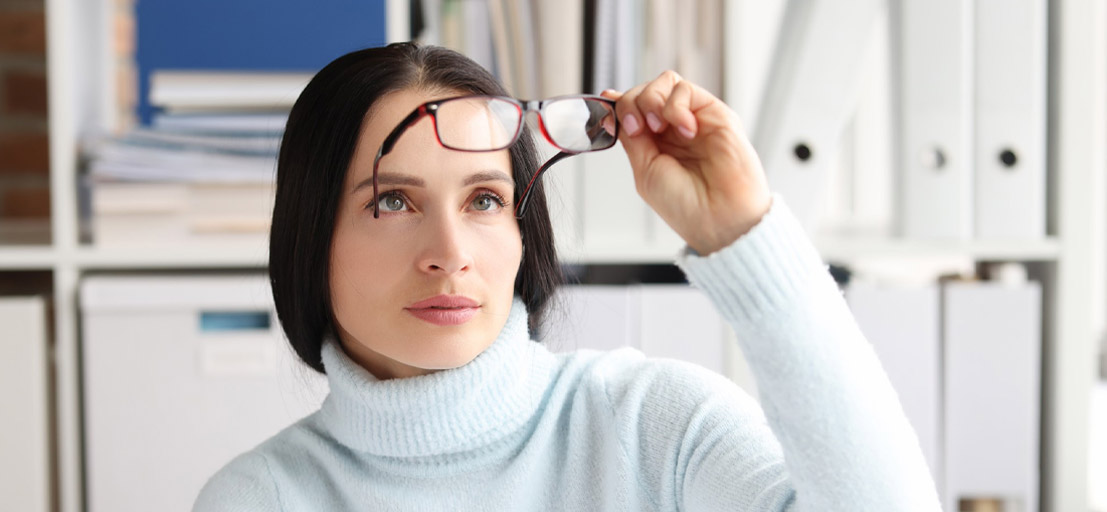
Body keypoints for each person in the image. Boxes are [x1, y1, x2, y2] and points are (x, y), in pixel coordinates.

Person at [194, 42, 941, 511]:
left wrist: (742, 236)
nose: (449, 251)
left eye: (484, 198)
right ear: (310, 233)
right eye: (393, 201)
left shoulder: (657, 427)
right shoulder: (259, 496)